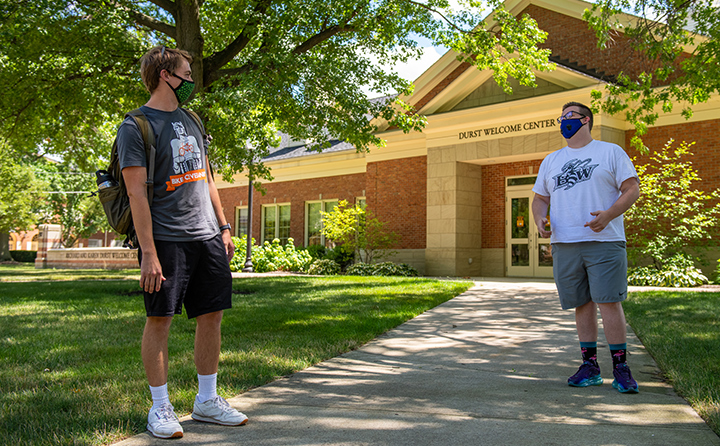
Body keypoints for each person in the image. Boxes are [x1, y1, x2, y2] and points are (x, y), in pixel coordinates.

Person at [117, 45, 247, 439]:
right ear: (164, 75)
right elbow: (137, 194)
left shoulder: (191, 119)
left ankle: (206, 401)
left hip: (206, 235)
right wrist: (149, 254)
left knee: (212, 314)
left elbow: (206, 177)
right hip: (166, 239)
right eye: (186, 73)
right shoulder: (135, 126)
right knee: (160, 319)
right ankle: (160, 408)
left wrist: (224, 228)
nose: (192, 80)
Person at [532, 101, 641, 394]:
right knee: (582, 303)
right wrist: (538, 218)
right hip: (565, 243)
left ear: (587, 120)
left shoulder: (610, 152)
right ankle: (590, 366)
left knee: (608, 301)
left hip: (604, 242)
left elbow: (632, 188)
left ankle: (621, 369)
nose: (564, 121)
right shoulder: (551, 160)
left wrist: (608, 215)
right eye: (561, 116)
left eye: (571, 116)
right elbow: (540, 197)